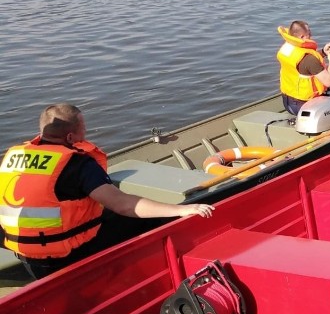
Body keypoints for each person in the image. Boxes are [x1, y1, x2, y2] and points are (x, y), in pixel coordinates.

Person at [0, 104, 215, 280]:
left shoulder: (13, 157)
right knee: (148, 219)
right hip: (64, 256)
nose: (86, 133)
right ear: (70, 137)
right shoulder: (77, 164)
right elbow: (123, 205)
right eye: (83, 129)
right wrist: (182, 209)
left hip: (25, 253)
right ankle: (148, 274)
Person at [277, 20, 330, 115]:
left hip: (288, 101)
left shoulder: (288, 48)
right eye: (309, 33)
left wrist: (322, 52)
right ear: (302, 37)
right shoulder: (309, 59)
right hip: (303, 105)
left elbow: (304, 65)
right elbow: (329, 82)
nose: (311, 35)